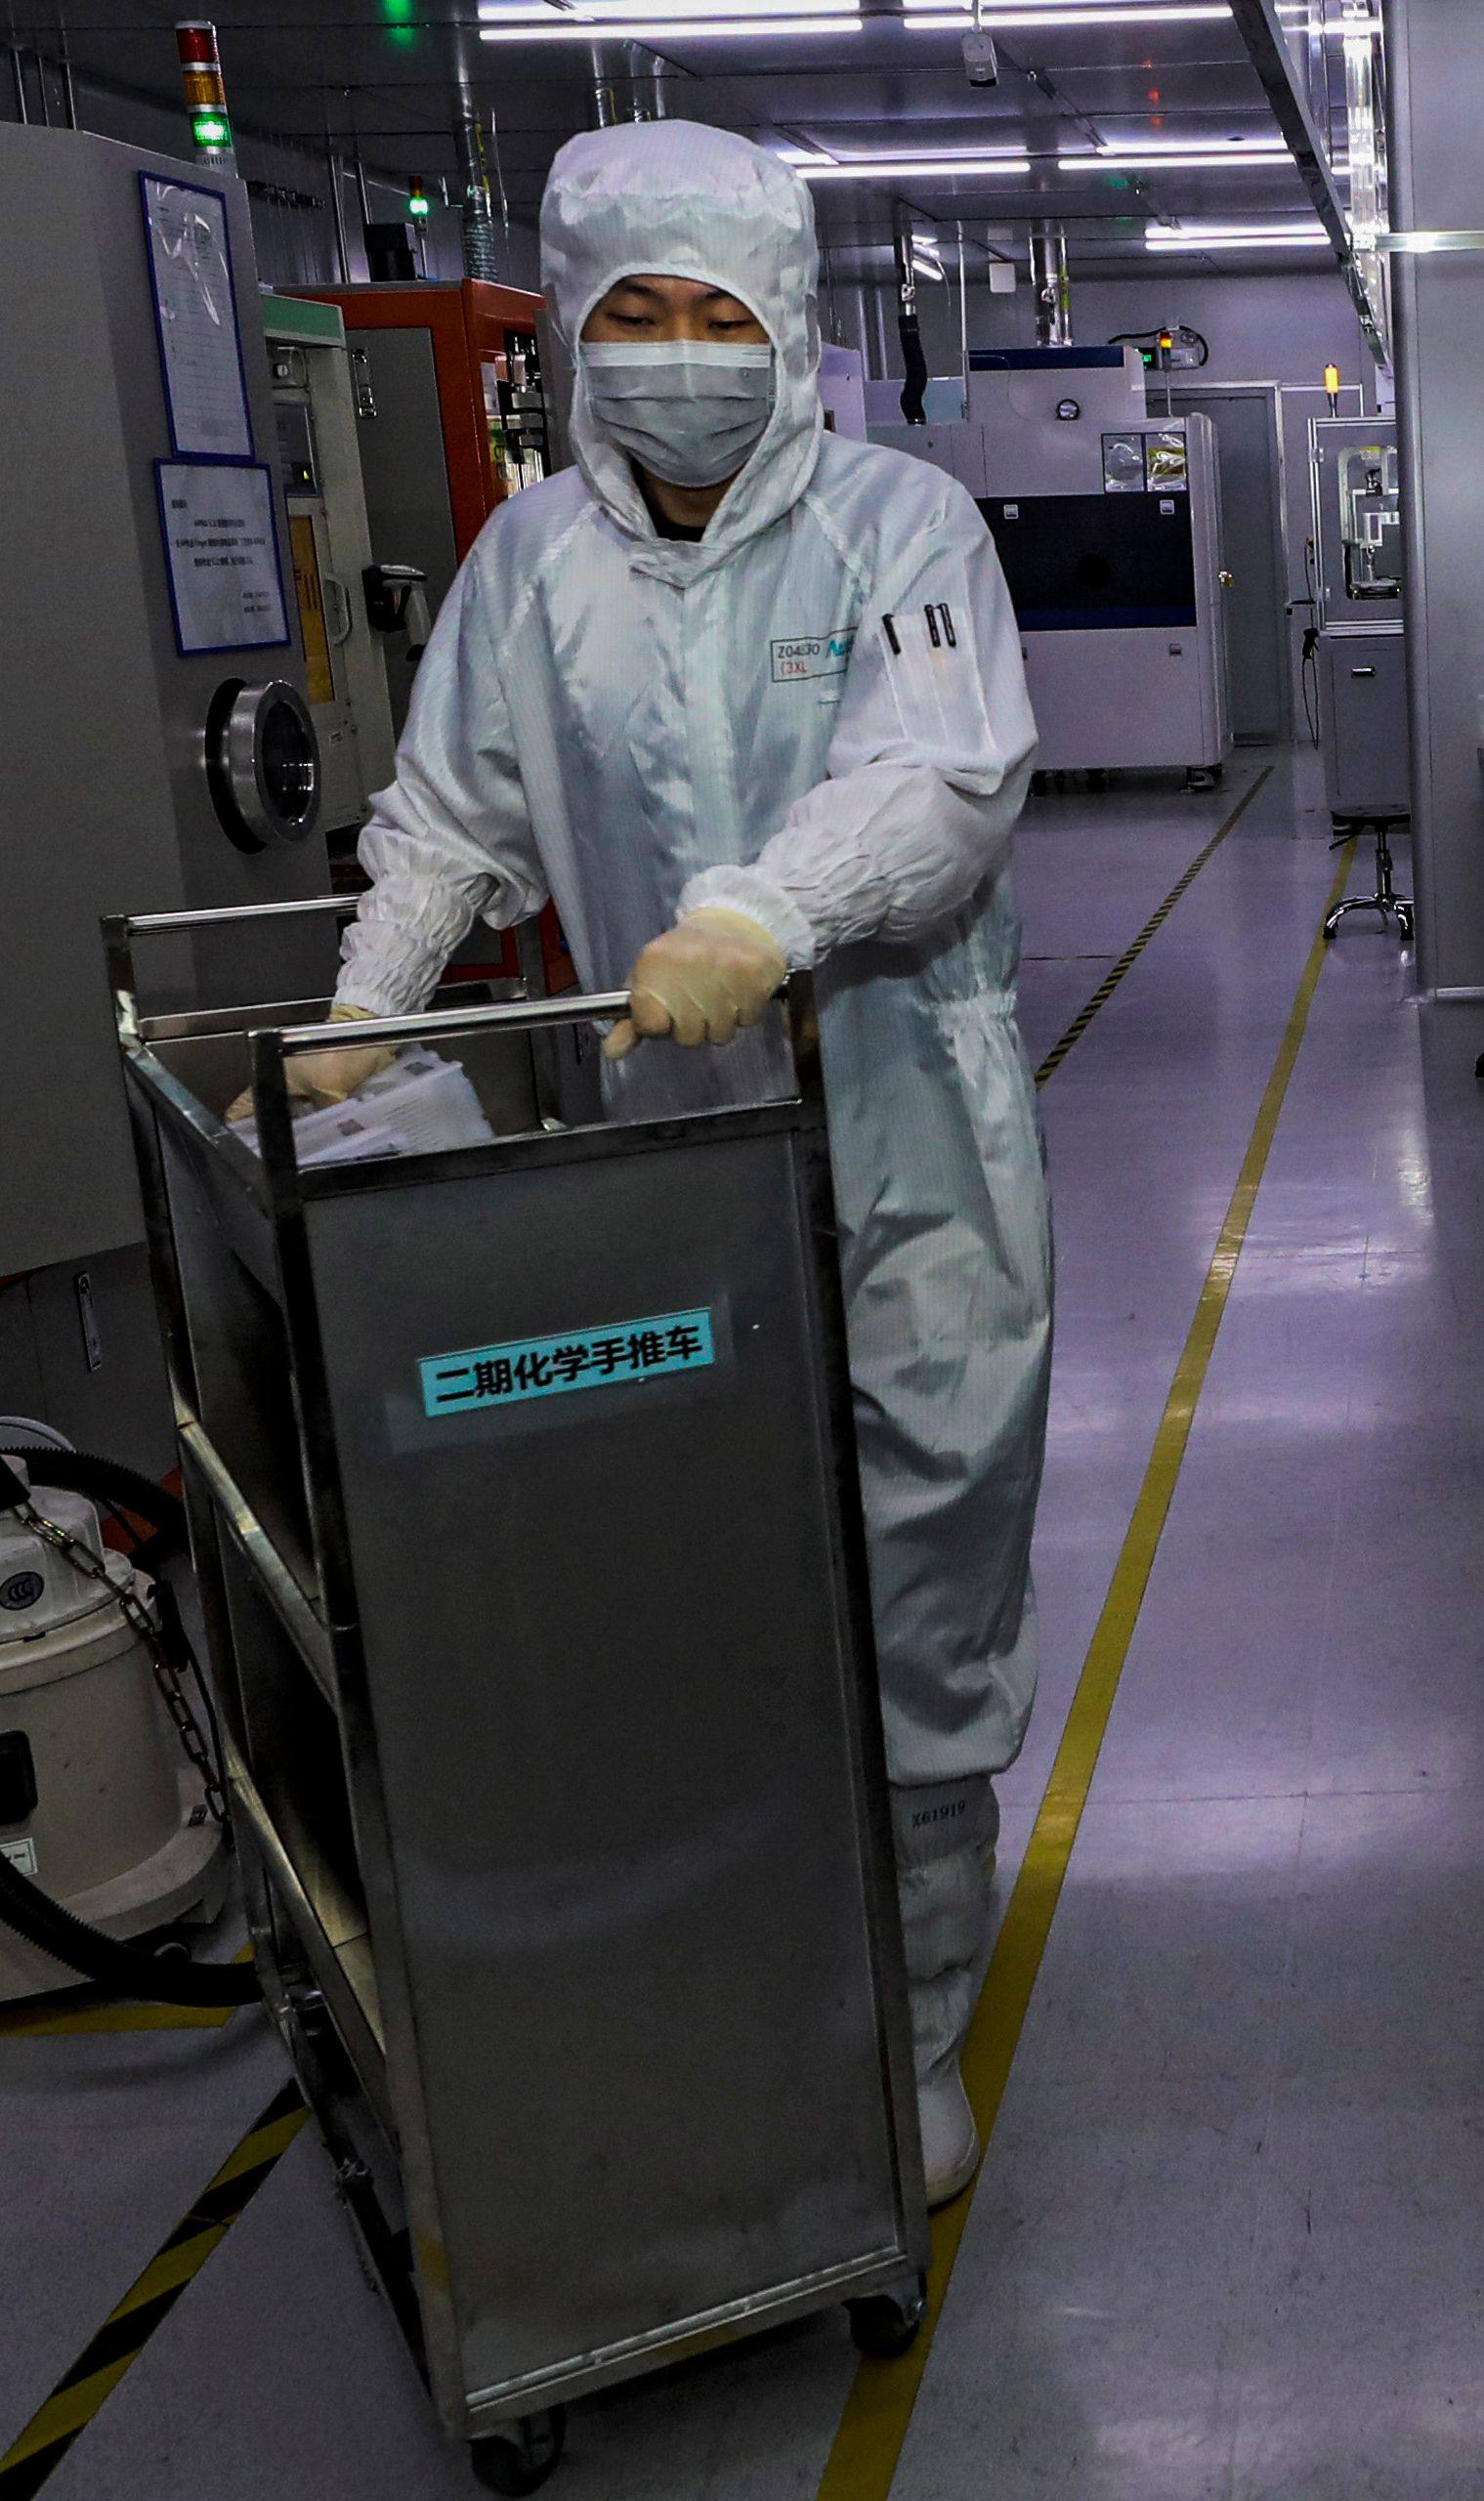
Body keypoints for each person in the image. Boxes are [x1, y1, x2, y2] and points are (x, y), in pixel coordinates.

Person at [281, 120, 1048, 2206]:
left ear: (788, 328)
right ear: (570, 332)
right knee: (704, 1557)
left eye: (722, 316)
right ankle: (744, 1957)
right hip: (665, 1156)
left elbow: (945, 778)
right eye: (640, 316)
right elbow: (452, 816)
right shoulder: (532, 560)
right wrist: (372, 1005)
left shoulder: (898, 528)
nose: (683, 355)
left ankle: (906, 2026)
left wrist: (759, 922)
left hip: (906, 1136)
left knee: (915, 1559)